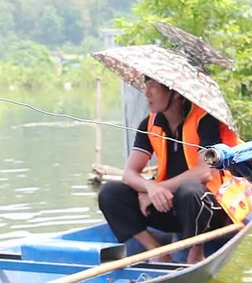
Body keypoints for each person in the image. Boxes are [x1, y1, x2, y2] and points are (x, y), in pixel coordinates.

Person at [97, 76, 240, 257]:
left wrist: (158, 189)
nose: (147, 93)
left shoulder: (205, 120)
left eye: (153, 87)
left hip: (208, 211)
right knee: (110, 193)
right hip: (167, 206)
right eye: (146, 85)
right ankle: (157, 251)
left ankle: (196, 253)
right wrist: (150, 187)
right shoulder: (149, 124)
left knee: (190, 190)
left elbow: (205, 173)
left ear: (176, 93)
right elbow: (129, 174)